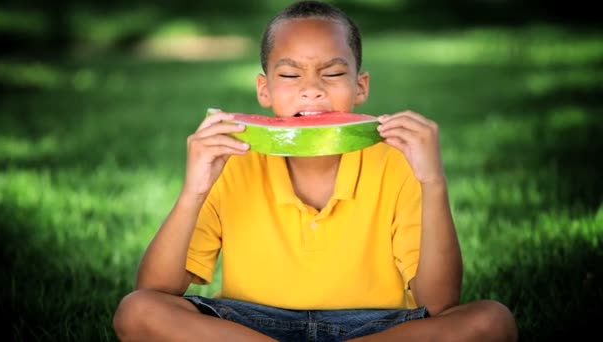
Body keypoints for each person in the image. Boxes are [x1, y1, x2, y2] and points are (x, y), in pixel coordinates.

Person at [112, 1, 518, 341]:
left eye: (333, 73)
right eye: (290, 75)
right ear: (264, 89)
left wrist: (433, 183)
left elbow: (441, 303)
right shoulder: (233, 159)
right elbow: (156, 289)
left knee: (492, 322)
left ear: (361, 86)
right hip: (251, 328)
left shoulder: (398, 159)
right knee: (136, 311)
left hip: (373, 329)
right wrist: (193, 191)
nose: (312, 89)